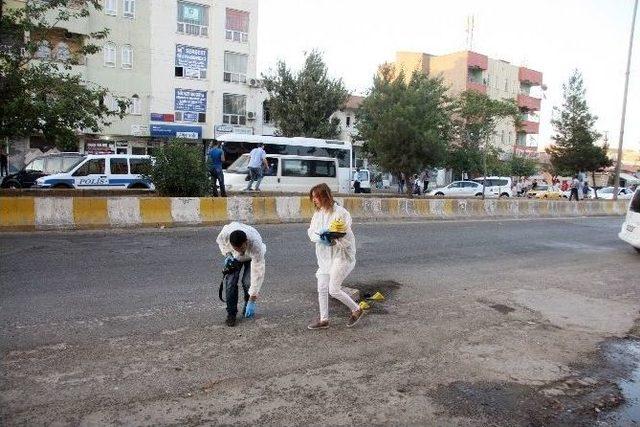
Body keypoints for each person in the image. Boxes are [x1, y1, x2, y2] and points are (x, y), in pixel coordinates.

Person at [307, 183, 363, 329]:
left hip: (342, 257)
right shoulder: (317, 214)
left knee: (333, 289)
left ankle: (357, 309)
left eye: (317, 197)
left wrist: (333, 240)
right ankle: (324, 320)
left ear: (325, 196)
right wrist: (320, 238)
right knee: (322, 287)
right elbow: (311, 232)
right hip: (325, 257)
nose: (314, 200)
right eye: (313, 198)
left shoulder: (341, 213)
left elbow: (347, 237)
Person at [216, 222, 266, 327]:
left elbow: (258, 273)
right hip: (234, 258)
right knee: (230, 282)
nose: (241, 252)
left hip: (251, 257)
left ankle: (247, 304)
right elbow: (220, 242)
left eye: (242, 249)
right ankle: (231, 313)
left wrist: (252, 299)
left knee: (247, 282)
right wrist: (228, 254)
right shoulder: (225, 234)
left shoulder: (256, 245)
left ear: (246, 242)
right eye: (237, 249)